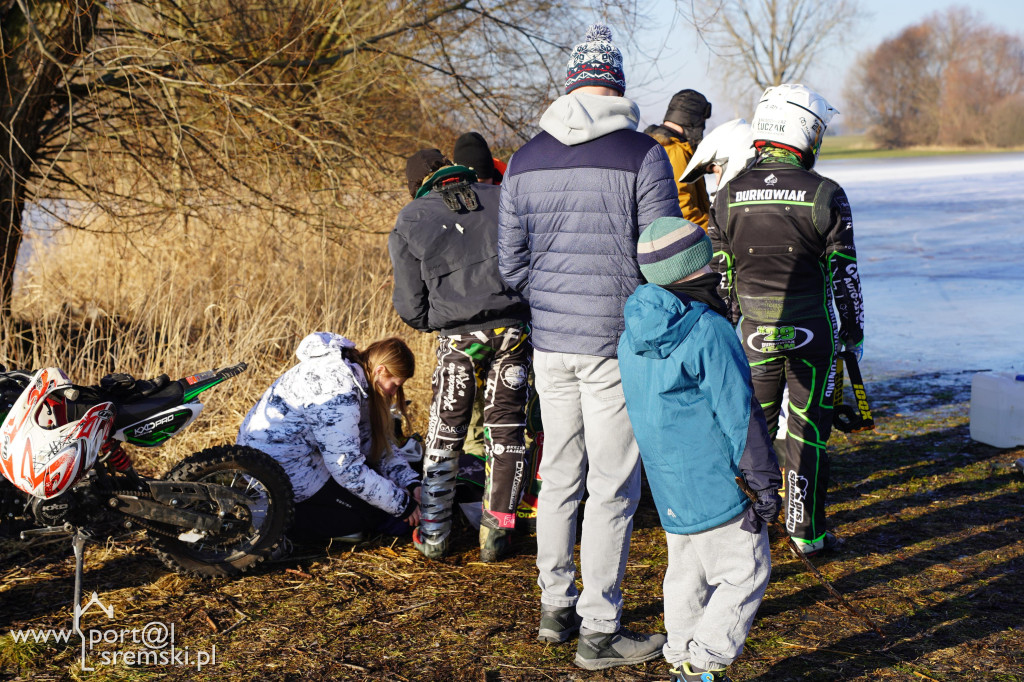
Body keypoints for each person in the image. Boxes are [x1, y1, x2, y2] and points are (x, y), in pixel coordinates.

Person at [497, 23, 681, 671]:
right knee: (612, 487)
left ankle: (555, 608)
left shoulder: (524, 158)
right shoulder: (643, 155)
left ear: (571, 83)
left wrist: (548, 302)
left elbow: (509, 264)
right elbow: (665, 259)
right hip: (616, 344)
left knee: (559, 478)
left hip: (552, 344)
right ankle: (598, 630)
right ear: (617, 86)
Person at [618, 217, 781, 682]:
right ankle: (705, 662)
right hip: (717, 481)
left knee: (686, 570)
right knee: (744, 571)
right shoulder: (708, 329)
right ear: (697, 265)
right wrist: (764, 480)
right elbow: (739, 412)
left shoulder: (631, 336)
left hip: (669, 482)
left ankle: (680, 651)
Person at [707, 84, 864, 557]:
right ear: (805, 132)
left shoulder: (728, 194)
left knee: (750, 431)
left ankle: (746, 532)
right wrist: (853, 337)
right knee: (807, 433)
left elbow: (723, 280)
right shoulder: (826, 194)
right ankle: (806, 534)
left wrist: (725, 332)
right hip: (812, 331)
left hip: (753, 332)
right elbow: (845, 276)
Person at [389, 148, 531, 562]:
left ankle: (434, 535)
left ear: (419, 187)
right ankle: (497, 535)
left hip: (459, 337)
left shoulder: (412, 217)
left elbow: (409, 305)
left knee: (446, 429)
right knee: (506, 430)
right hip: (514, 332)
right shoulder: (504, 197)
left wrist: (443, 319)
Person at [236, 333, 421, 543]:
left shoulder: (355, 379)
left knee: (377, 502)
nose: (394, 393)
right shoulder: (339, 388)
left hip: (293, 458)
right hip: (277, 468)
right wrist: (403, 506)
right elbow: (347, 470)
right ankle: (270, 520)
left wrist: (411, 482)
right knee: (368, 515)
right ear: (380, 371)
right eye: (395, 385)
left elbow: (372, 444)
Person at [678, 118, 756, 323]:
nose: (718, 181)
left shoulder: (729, 210)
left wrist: (723, 328)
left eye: (715, 171)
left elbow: (723, 276)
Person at [646, 89, 714, 230]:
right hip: (688, 239)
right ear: (693, 120)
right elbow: (682, 207)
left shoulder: (653, 145)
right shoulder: (674, 150)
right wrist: (713, 231)